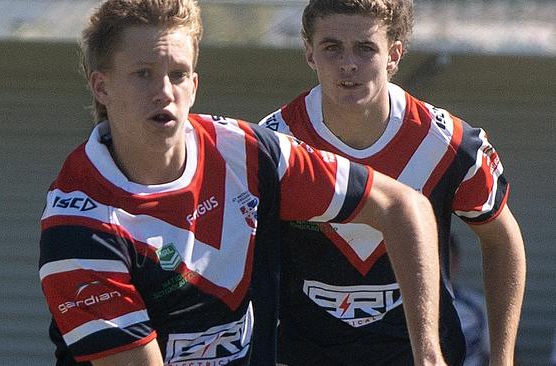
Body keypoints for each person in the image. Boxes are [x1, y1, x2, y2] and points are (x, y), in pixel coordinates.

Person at [37, 0, 448, 365]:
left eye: (178, 74)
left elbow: (402, 206)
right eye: (143, 73)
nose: (164, 91)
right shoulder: (77, 229)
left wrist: (427, 354)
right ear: (101, 86)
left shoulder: (248, 153)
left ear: (195, 85)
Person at [259, 0, 526, 365]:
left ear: (394, 55)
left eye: (366, 48)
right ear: (309, 53)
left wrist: (502, 358)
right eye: (331, 47)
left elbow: (502, 239)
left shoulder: (447, 144)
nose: (348, 63)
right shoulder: (274, 145)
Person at [449, 233, 490, 366]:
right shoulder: (400, 307)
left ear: (456, 262)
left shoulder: (477, 306)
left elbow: (502, 354)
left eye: (445, 260)